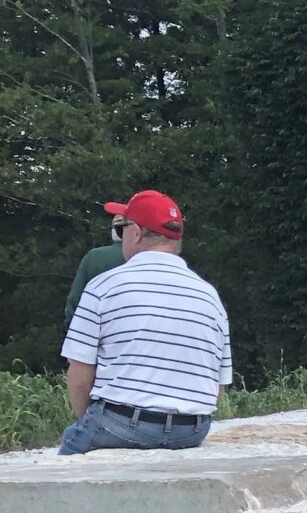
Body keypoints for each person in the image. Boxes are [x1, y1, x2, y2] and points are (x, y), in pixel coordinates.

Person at [58, 188, 231, 455]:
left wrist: (88, 421)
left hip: (121, 422)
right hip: (192, 429)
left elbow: (79, 377)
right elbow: (218, 387)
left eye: (123, 228)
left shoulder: (103, 286)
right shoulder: (209, 295)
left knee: (71, 444)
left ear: (136, 233)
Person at [65, 205, 129, 331]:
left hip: (94, 331)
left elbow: (75, 300)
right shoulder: (147, 257)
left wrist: (73, 330)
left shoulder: (94, 257)